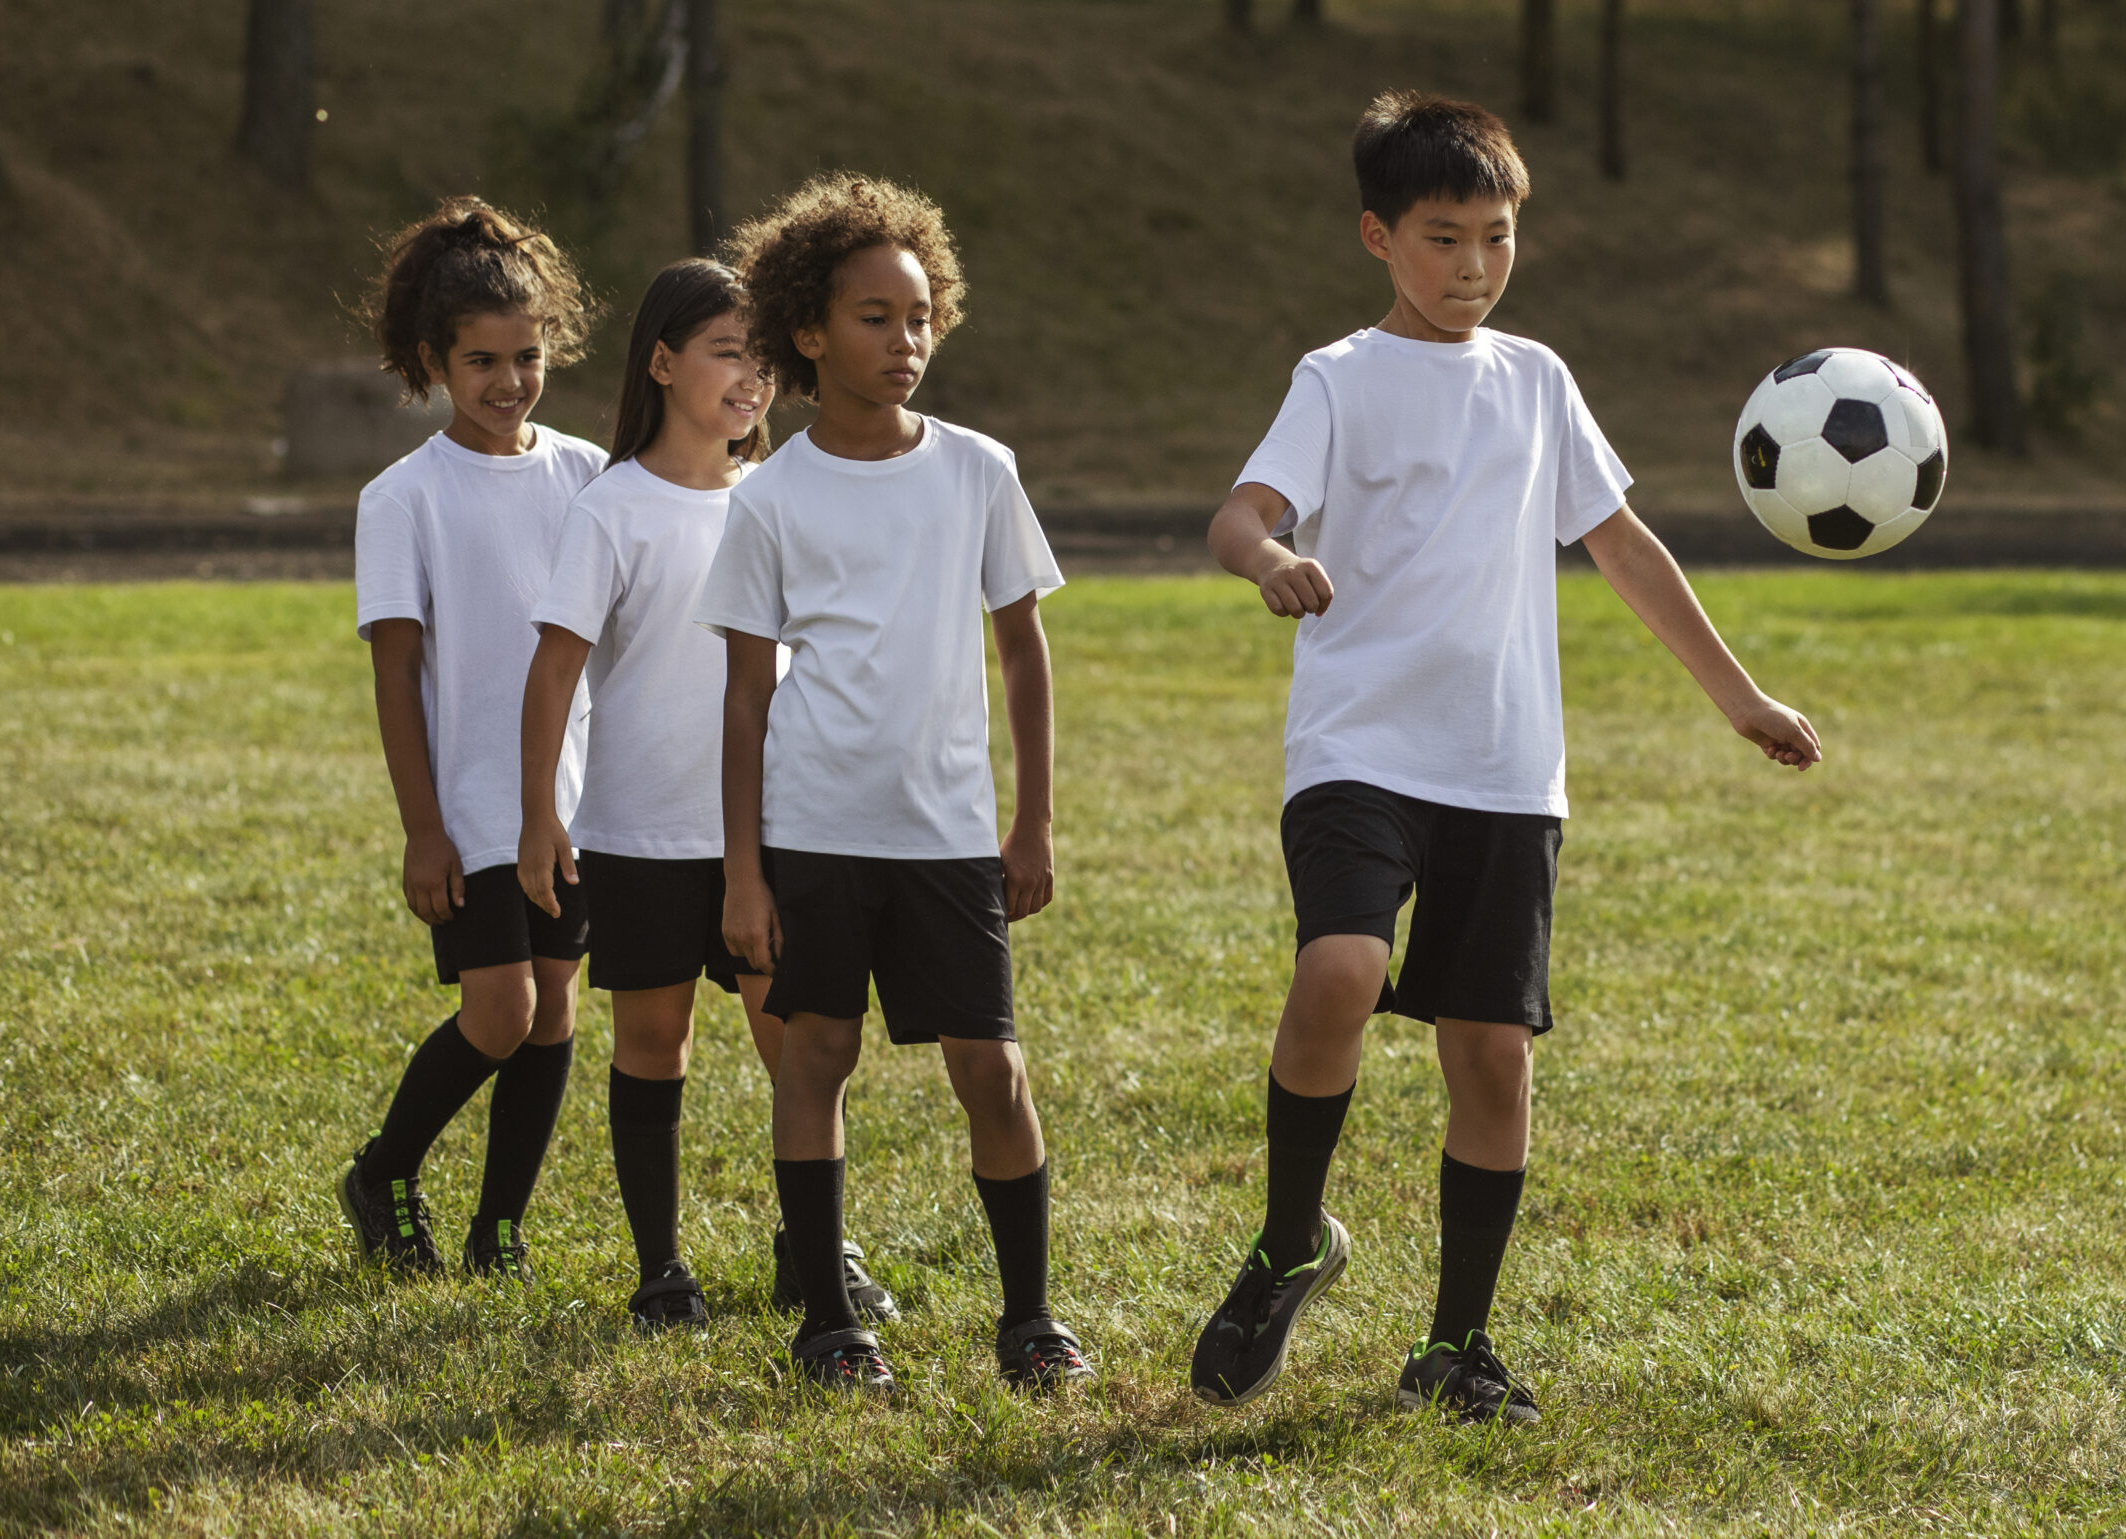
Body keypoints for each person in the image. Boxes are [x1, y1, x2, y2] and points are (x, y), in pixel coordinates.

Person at [1188, 92, 1823, 1425]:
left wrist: (1740, 696)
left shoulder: (1539, 381)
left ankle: (1455, 1345)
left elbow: (1625, 547)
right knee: (1342, 965)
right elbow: (1242, 508)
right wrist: (1273, 557)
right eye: (1443, 237)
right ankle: (1289, 1237)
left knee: (1492, 1056)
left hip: (1502, 767)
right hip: (1359, 743)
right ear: (1378, 237)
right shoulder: (1338, 377)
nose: (1474, 264)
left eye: (1497, 235)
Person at [698, 173, 1089, 1396]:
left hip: (948, 838)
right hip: (814, 833)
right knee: (815, 1058)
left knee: (994, 1068)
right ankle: (827, 1324)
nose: (905, 341)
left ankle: (1027, 1321)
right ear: (806, 331)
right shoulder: (767, 498)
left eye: (919, 316)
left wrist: (1029, 821)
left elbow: (1021, 648)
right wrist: (745, 874)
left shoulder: (978, 470)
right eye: (874, 318)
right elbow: (747, 698)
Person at [516, 259, 897, 1332]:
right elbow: (553, 671)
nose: (753, 377)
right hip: (640, 833)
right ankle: (660, 1269)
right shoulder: (614, 509)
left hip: (774, 833)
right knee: (653, 1044)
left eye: (766, 358)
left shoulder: (783, 497)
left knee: (798, 1040)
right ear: (664, 362)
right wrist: (541, 814)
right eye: (730, 352)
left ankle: (814, 1247)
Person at [338, 198, 607, 1281]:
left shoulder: (590, 473)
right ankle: (385, 1169)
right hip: (475, 802)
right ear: (431, 361)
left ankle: (501, 1227)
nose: (509, 382)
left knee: (554, 1018)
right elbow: (396, 672)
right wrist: (423, 831)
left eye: (528, 356)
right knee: (502, 1012)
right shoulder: (403, 497)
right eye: (482, 360)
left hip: (579, 796)